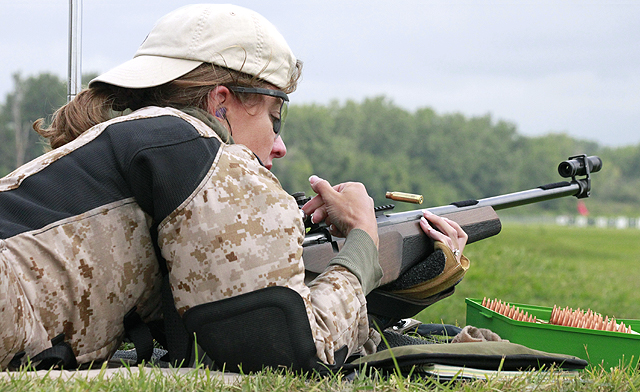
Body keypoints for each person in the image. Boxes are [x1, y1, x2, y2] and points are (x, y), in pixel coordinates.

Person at [0, 4, 467, 370]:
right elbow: (288, 347)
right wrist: (364, 240)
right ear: (221, 102)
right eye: (273, 117)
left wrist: (406, 280)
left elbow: (219, 331)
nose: (279, 146)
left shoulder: (143, 142)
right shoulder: (198, 147)